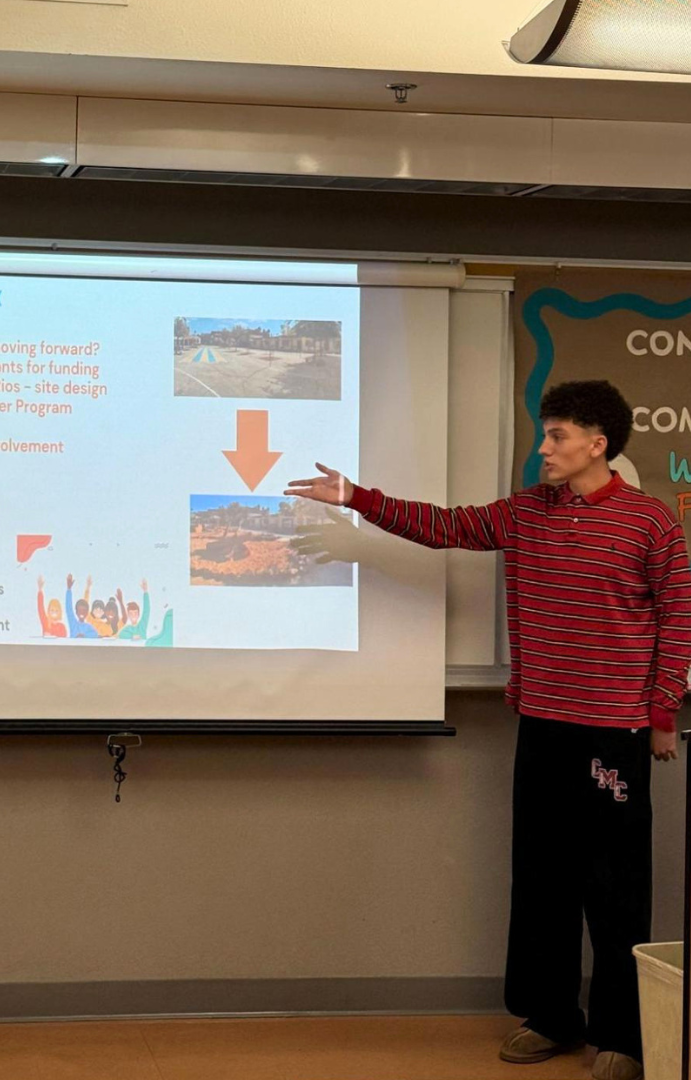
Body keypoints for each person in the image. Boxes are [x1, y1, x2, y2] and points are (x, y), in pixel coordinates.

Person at [287, 381, 691, 1080]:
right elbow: (444, 526)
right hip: (542, 727)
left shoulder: (650, 523)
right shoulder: (525, 512)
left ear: (598, 444)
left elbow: (679, 623)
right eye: (545, 434)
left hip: (613, 736)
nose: (543, 449)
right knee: (541, 881)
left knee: (616, 889)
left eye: (557, 436)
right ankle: (551, 1018)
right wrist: (357, 497)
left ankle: (622, 1037)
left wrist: (660, 716)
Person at [64, 574, 100, 639]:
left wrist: (84, 636)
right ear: (76, 612)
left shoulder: (89, 627)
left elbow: (95, 635)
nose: (82, 613)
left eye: (84, 611)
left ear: (87, 613)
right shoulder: (73, 624)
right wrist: (69, 589)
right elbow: (68, 609)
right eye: (80, 611)